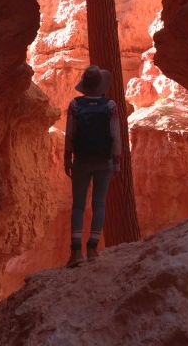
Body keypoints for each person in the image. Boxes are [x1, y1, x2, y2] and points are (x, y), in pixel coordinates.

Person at [63, 65, 121, 268]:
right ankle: (93, 249)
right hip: (104, 160)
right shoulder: (110, 105)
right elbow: (115, 135)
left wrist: (67, 158)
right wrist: (117, 162)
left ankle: (76, 252)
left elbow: (70, 133)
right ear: (100, 85)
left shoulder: (75, 104)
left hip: (81, 160)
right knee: (99, 204)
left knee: (78, 205)